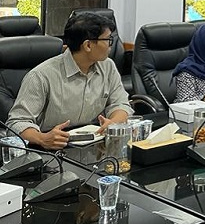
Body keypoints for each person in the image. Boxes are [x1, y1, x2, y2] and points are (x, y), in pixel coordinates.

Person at [7, 13, 132, 150]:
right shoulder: (41, 76)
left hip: (95, 148)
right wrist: (42, 139)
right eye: (108, 40)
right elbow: (17, 123)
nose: (110, 45)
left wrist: (113, 123)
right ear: (88, 45)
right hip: (52, 150)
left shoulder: (107, 66)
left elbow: (120, 103)